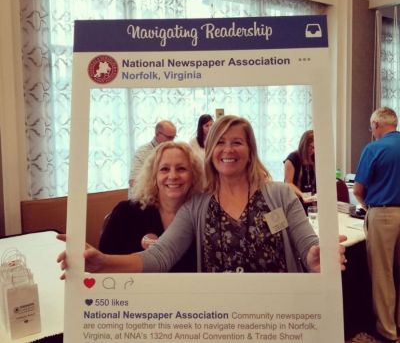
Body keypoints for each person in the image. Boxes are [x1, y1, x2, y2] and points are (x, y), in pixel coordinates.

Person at [58, 116, 346, 275]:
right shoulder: (197, 205)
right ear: (210, 152)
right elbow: (160, 256)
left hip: (277, 314)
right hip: (217, 319)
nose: (228, 150)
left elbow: (306, 244)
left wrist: (315, 257)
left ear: (250, 151)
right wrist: (103, 262)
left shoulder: (280, 195)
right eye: (220, 142)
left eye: (237, 142)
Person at [100, 141, 202, 272]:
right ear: (154, 175)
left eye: (181, 169)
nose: (173, 176)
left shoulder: (202, 216)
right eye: (164, 169)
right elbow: (105, 265)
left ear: (194, 175)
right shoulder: (125, 213)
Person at [353, 106, 400, 343]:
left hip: (383, 214)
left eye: (372, 126)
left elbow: (358, 189)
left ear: (377, 125)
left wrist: (366, 206)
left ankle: (387, 331)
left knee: (383, 276)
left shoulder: (374, 148)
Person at [128, 120, 176, 188]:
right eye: (169, 137)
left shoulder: (172, 151)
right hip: (143, 196)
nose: (172, 141)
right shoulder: (142, 152)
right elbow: (133, 182)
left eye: (174, 137)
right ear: (157, 134)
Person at [283, 130, 316, 207]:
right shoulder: (292, 159)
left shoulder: (314, 158)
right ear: (304, 145)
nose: (313, 151)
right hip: (294, 200)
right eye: (311, 147)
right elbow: (288, 183)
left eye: (315, 147)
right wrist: (302, 194)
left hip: (311, 200)